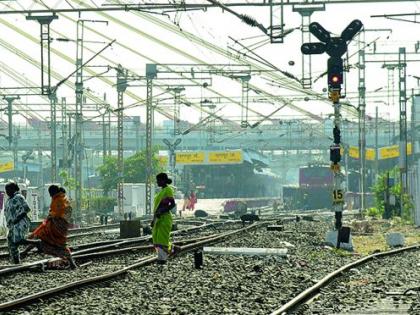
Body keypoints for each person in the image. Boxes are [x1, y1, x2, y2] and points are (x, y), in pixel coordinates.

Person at [22, 185, 77, 269]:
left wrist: (51, 215)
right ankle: (72, 263)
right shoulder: (62, 198)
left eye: (50, 193)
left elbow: (57, 213)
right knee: (60, 245)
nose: (50, 195)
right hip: (59, 226)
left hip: (55, 226)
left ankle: (25, 251)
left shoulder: (59, 200)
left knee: (40, 235)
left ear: (53, 192)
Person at [4, 182, 39, 264]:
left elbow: (26, 209)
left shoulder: (19, 197)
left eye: (9, 189)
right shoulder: (9, 200)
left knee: (17, 240)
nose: (7, 191)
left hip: (20, 222)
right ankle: (16, 262)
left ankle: (36, 242)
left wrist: (17, 219)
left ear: (14, 189)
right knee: (11, 243)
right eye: (6, 190)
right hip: (12, 225)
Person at [151, 173, 177, 264]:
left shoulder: (168, 190)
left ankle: (162, 259)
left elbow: (172, 204)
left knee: (162, 239)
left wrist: (162, 211)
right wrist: (153, 220)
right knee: (156, 239)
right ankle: (172, 249)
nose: (157, 182)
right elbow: (157, 207)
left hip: (165, 218)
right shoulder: (161, 191)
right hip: (158, 219)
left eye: (158, 180)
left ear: (163, 180)